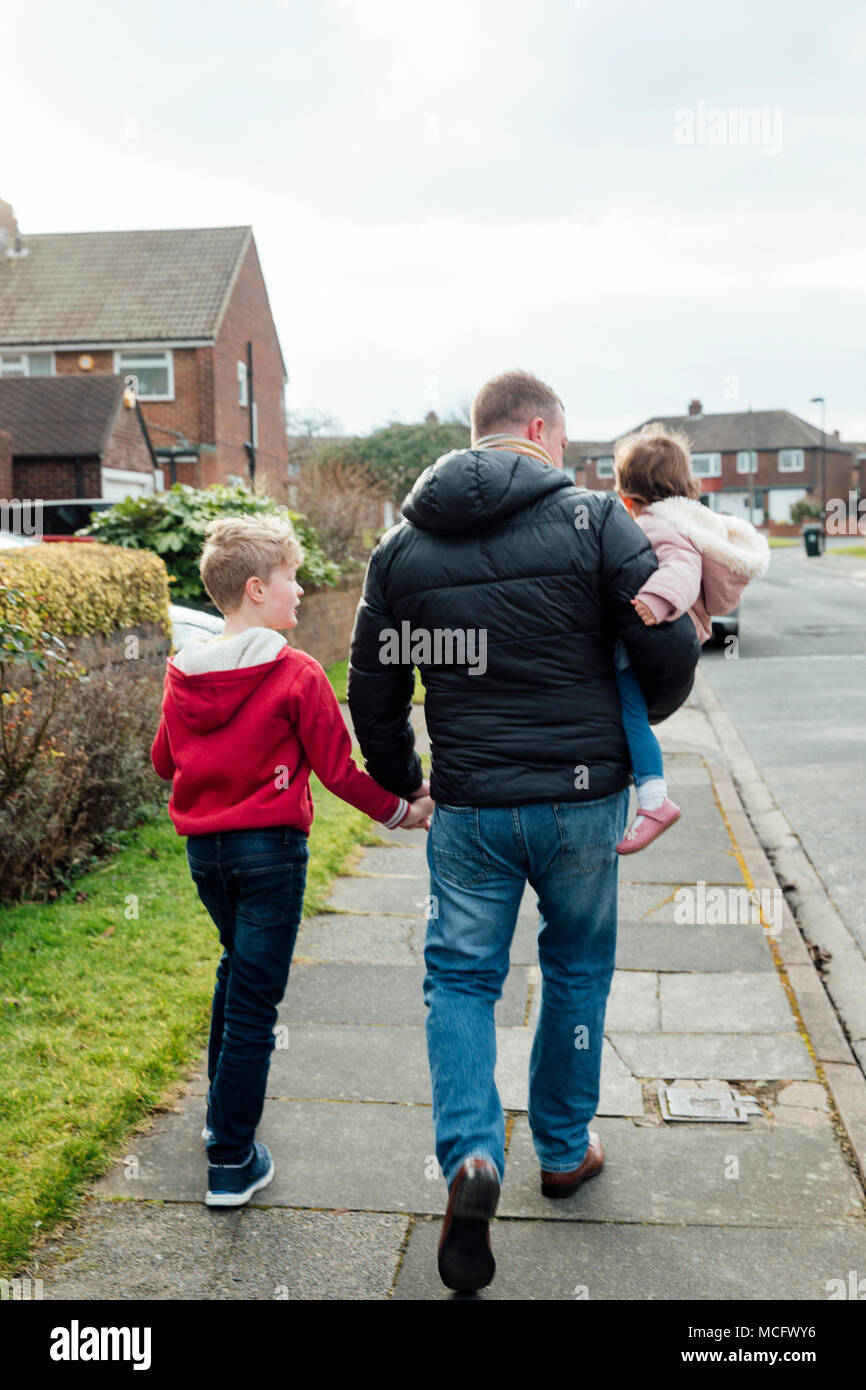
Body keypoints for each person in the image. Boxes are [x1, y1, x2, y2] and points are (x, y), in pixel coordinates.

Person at [347, 369, 700, 1292]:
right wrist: (636, 737)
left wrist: (404, 782)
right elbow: (666, 644)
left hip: (469, 806)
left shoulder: (401, 549)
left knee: (462, 977)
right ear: (540, 429)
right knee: (576, 967)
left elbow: (376, 689)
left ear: (481, 432)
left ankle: (471, 1158)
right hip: (583, 798)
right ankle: (562, 1147)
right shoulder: (594, 522)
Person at [150, 514, 433, 1208]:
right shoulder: (296, 672)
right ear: (255, 588)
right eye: (290, 579)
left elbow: (163, 760)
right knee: (254, 1005)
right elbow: (338, 771)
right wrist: (404, 810)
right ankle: (231, 1159)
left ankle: (221, 1119)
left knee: (234, 972)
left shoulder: (183, 674)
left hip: (207, 857)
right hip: (271, 855)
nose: (301, 590)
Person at [610, 421, 770, 852]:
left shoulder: (658, 526)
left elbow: (682, 568)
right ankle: (647, 794)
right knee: (630, 715)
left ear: (629, 499)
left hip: (655, 632)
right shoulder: (680, 520)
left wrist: (657, 600)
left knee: (630, 715)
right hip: (671, 640)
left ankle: (655, 799)